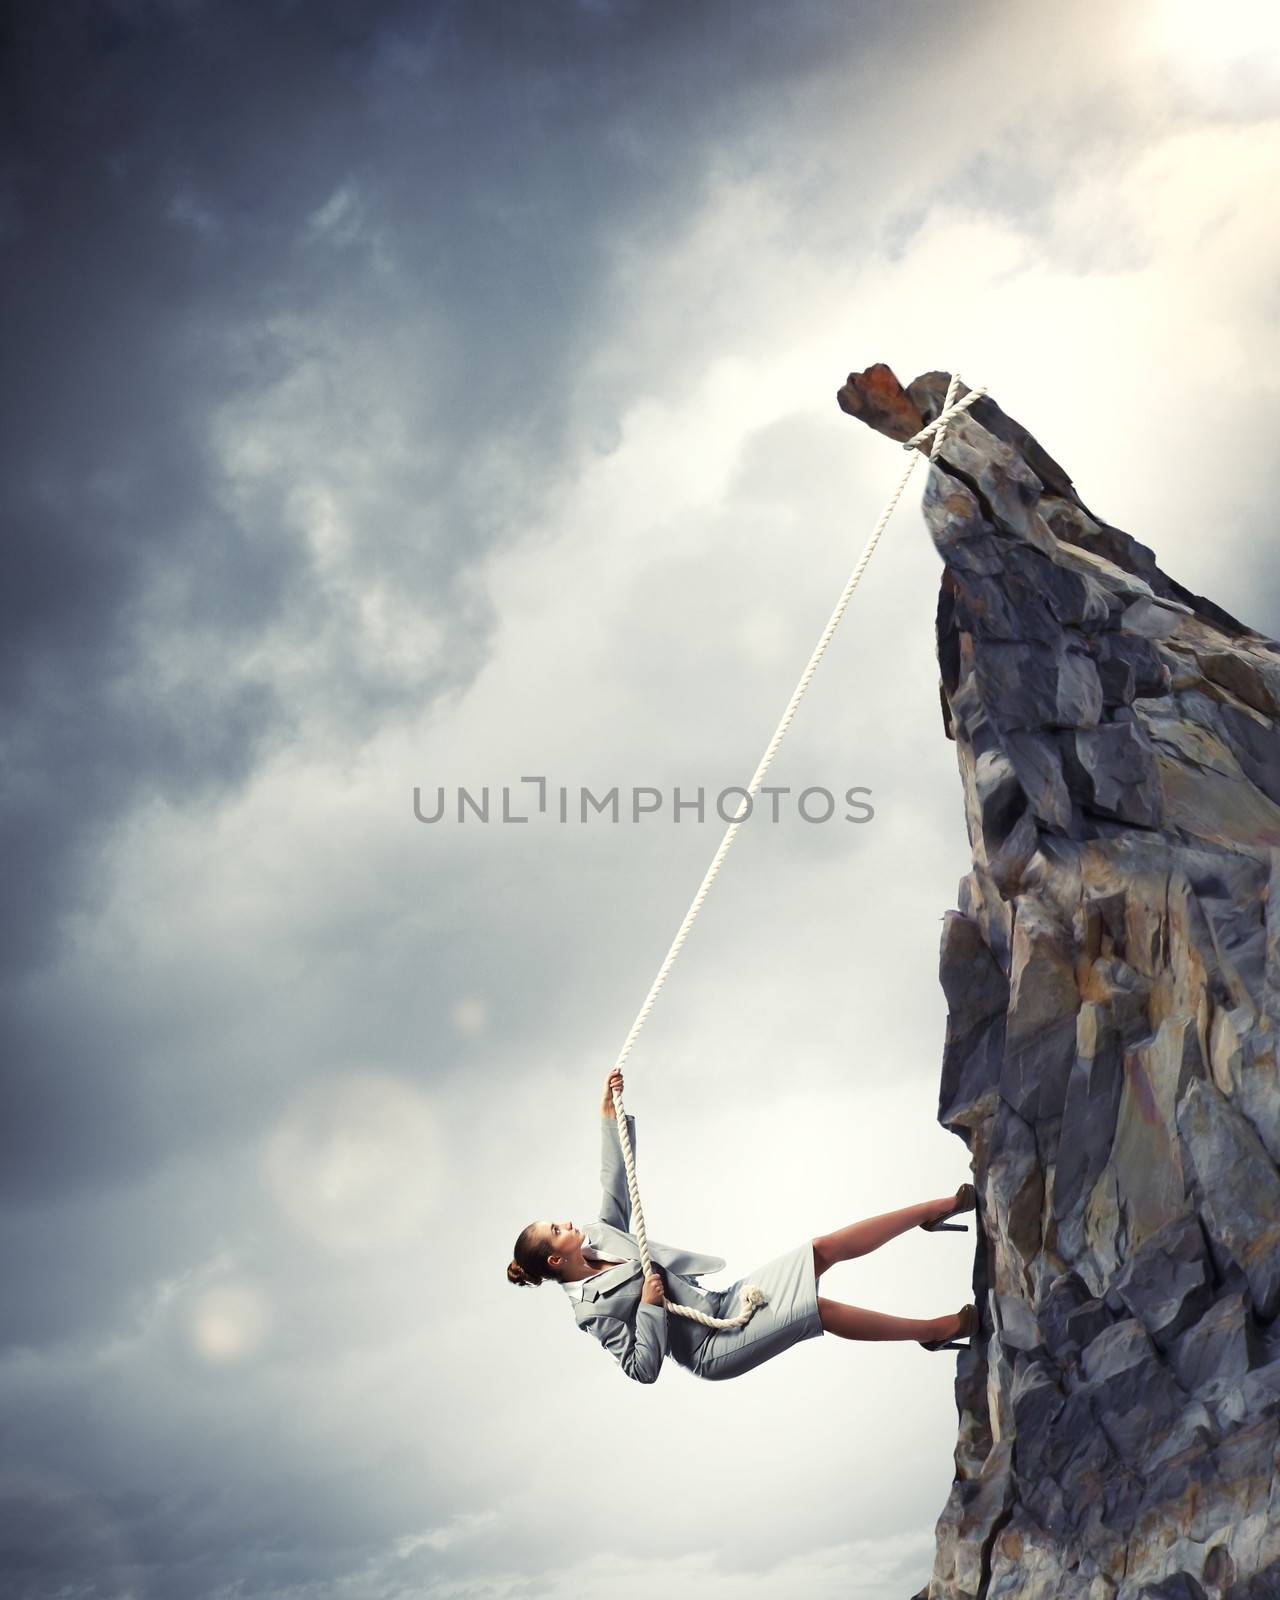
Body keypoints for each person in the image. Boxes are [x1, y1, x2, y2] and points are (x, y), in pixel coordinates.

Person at [506, 1068, 977, 1383]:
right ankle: (933, 1329)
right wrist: (649, 1307)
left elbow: (614, 1183)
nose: (568, 1222)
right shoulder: (590, 1314)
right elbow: (641, 1368)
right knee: (819, 1310)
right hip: (713, 1347)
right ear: (554, 1258)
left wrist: (609, 1114)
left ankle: (933, 1211)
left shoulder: (600, 1236)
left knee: (820, 1249)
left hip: (725, 1302)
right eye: (557, 1228)